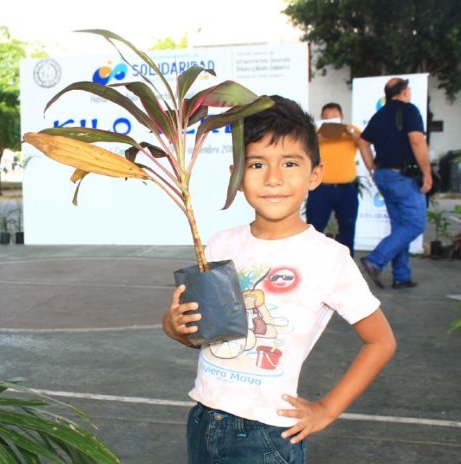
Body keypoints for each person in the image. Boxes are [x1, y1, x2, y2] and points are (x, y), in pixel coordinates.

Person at [162, 96, 396, 464]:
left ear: (314, 174)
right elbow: (201, 334)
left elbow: (381, 341)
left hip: (267, 436)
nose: (273, 178)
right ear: (237, 176)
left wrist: (327, 409)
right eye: (257, 164)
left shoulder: (329, 257)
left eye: (290, 163)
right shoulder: (221, 243)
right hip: (203, 420)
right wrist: (173, 325)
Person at [357, 78, 432, 290]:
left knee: (400, 226)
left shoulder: (380, 114)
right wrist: (427, 173)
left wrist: (372, 167)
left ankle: (401, 276)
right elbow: (417, 141)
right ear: (405, 92)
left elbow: (362, 142)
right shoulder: (409, 110)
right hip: (403, 176)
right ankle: (375, 260)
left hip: (384, 175)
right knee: (415, 224)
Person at [306, 103, 361, 256]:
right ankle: (310, 261)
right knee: (314, 227)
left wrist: (348, 130)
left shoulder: (351, 131)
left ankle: (347, 263)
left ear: (342, 117)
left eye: (334, 117)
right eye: (327, 117)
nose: (330, 120)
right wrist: (317, 135)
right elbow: (303, 149)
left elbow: (363, 142)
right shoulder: (314, 134)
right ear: (321, 118)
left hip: (347, 189)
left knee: (348, 226)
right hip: (321, 188)